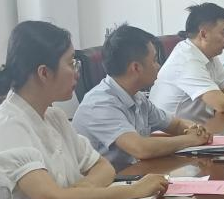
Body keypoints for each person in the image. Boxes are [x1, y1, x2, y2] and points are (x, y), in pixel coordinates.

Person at [0, 20, 168, 199]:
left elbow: (103, 166)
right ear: (44, 73)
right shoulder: (5, 126)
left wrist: (80, 191)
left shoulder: (54, 117)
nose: (77, 72)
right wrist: (134, 190)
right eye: (71, 63)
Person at [72, 23, 212, 170]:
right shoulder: (99, 104)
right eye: (154, 60)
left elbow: (176, 125)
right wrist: (190, 139)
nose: (158, 66)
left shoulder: (137, 97)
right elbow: (141, 148)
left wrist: (195, 129)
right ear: (136, 67)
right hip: (106, 182)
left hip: (133, 174)